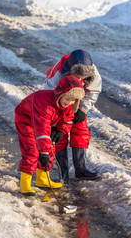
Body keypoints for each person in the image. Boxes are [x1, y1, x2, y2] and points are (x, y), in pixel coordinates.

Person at [15, 75, 85, 196]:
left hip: (46, 122)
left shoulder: (67, 105)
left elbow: (68, 119)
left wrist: (61, 131)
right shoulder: (45, 104)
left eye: (73, 100)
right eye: (67, 99)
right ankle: (24, 184)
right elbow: (41, 128)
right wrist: (43, 152)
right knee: (32, 150)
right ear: (60, 93)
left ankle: (42, 179)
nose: (69, 103)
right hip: (26, 120)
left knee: (51, 147)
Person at [44, 49, 102, 182]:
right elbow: (48, 94)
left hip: (79, 99)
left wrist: (82, 110)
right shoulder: (57, 73)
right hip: (60, 100)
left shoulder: (93, 72)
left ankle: (81, 169)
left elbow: (93, 91)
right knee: (60, 133)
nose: (81, 80)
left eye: (83, 78)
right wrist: (53, 123)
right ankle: (62, 171)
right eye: (78, 76)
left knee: (80, 130)